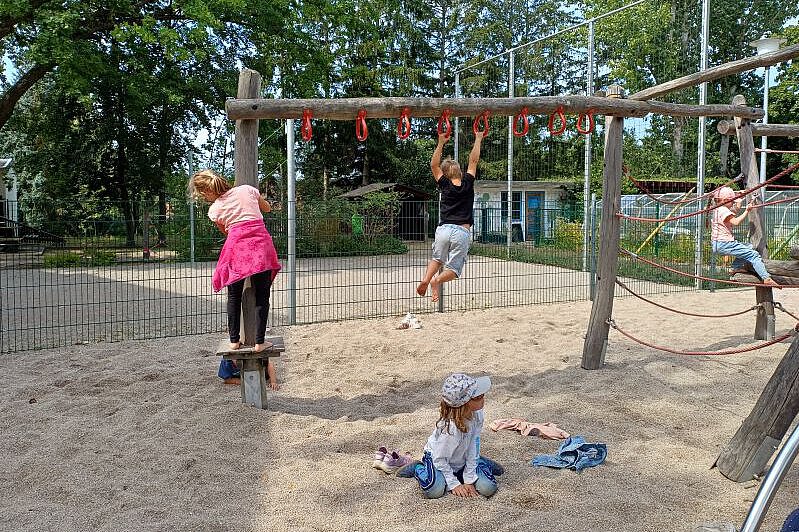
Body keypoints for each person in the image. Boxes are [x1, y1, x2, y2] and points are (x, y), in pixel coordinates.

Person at [188, 169, 282, 387]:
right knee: (261, 296)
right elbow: (266, 208)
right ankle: (259, 342)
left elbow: (227, 231)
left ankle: (233, 341)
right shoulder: (247, 190)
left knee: (234, 296)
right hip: (260, 245)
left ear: (207, 192)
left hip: (237, 248)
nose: (205, 200)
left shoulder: (215, 209)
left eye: (203, 196)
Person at [397, 373, 503, 499]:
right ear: (464, 404)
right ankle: (418, 468)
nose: (483, 399)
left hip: (462, 458)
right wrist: (454, 484)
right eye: (478, 397)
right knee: (434, 491)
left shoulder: (477, 414)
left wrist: (469, 479)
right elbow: (439, 459)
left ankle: (480, 461)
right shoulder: (449, 430)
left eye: (482, 395)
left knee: (488, 488)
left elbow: (474, 443)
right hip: (438, 460)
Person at [416, 130, 484, 302]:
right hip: (461, 231)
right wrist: (478, 137)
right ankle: (436, 281)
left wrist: (440, 143)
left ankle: (425, 278)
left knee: (437, 259)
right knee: (454, 269)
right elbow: (473, 160)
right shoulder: (468, 182)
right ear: (460, 172)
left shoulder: (444, 184)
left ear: (445, 174)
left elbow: (433, 165)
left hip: (444, 229)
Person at [710, 186, 779, 288]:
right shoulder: (723, 210)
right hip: (725, 243)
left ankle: (735, 267)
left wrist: (739, 202)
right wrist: (747, 211)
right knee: (754, 255)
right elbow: (736, 222)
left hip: (717, 243)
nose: (733, 204)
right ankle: (766, 278)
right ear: (725, 200)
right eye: (732, 201)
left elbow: (732, 214)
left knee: (749, 246)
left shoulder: (718, 209)